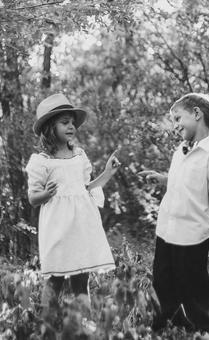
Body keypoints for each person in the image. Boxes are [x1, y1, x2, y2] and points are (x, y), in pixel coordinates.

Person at [138, 93, 209, 332]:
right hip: (167, 230)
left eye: (178, 118)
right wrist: (163, 179)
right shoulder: (180, 150)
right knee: (163, 280)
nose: (175, 125)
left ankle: (200, 330)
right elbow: (183, 182)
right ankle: (166, 327)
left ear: (196, 114)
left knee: (192, 285)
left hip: (192, 234)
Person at [25, 93, 121, 318]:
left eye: (72, 123)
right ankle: (46, 324)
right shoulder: (42, 161)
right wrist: (46, 194)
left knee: (81, 276)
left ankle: (83, 322)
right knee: (54, 277)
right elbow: (32, 198)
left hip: (81, 224)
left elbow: (87, 187)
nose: (71, 127)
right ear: (51, 127)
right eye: (64, 122)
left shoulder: (78, 156)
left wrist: (108, 172)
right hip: (57, 226)